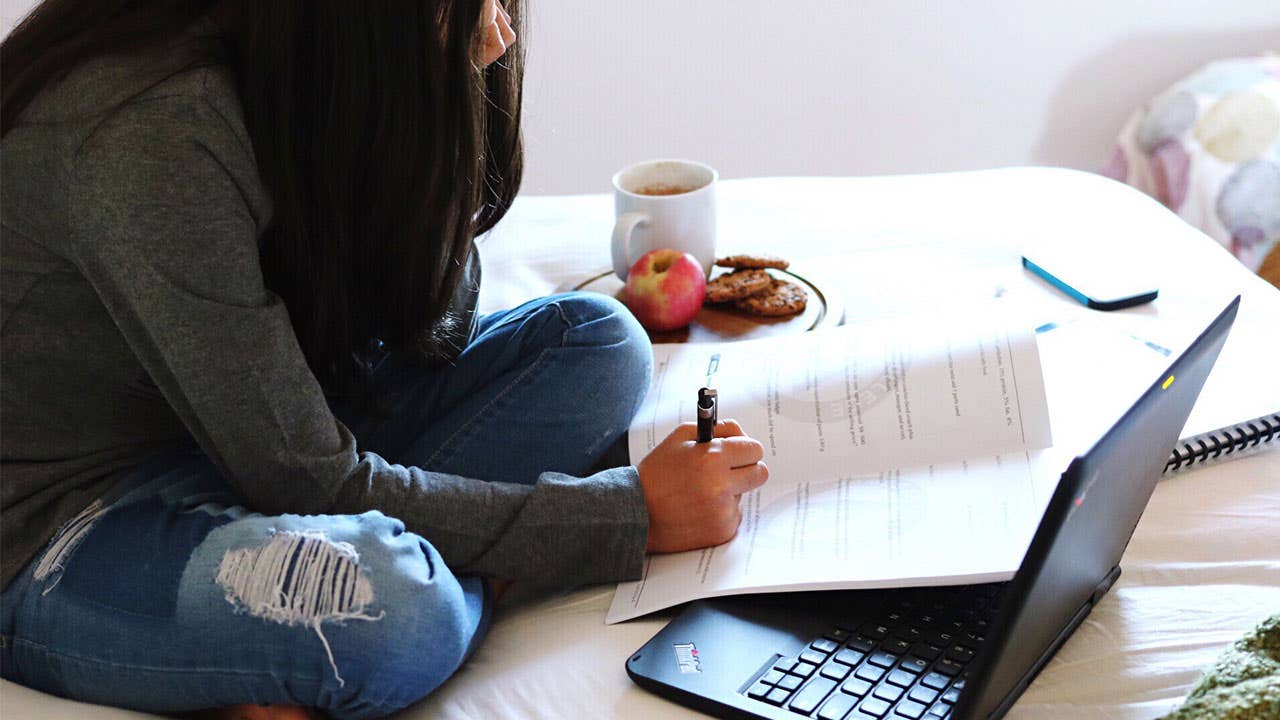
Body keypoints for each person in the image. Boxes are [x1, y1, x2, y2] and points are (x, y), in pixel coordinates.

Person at [0, 1, 769, 718]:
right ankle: (461, 581)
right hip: (65, 522)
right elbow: (302, 477)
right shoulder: (155, 133)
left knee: (598, 344)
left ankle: (432, 577)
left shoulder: (302, 63)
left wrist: (427, 129)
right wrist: (623, 522)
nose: (497, 37)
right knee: (403, 614)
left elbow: (427, 330)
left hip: (241, 441)